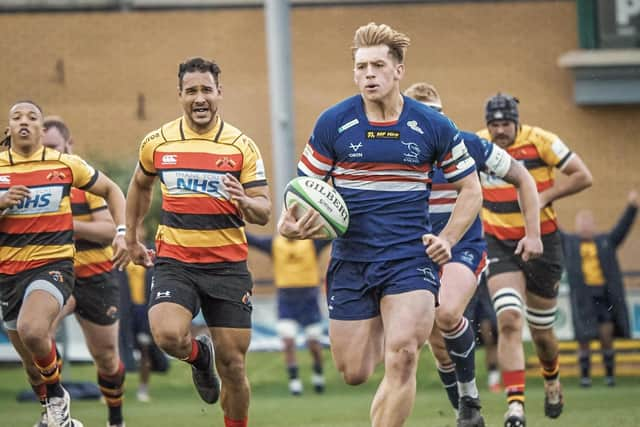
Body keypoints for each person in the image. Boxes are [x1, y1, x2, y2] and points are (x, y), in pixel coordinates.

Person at [278, 23, 483, 427]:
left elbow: (471, 190)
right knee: (354, 372)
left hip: (410, 258)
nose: (368, 74)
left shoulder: (433, 125)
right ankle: (378, 322)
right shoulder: (333, 123)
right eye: (361, 67)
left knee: (404, 354)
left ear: (398, 70)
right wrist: (291, 227)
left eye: (377, 65)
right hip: (351, 260)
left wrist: (448, 238)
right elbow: (300, 194)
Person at [125, 57, 271, 427]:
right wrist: (131, 235)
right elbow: (140, 185)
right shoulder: (158, 142)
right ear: (180, 96)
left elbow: (264, 211)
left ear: (219, 93)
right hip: (177, 262)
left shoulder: (241, 147)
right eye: (192, 91)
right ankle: (197, 357)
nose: (199, 98)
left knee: (235, 365)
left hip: (227, 267)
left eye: (207, 89)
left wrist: (244, 200)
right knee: (167, 335)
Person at [404, 82, 542, 427]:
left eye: (434, 115)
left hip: (463, 248)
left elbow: (523, 178)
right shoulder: (396, 152)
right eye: (418, 116)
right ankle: (465, 412)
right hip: (412, 254)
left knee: (447, 313)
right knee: (436, 342)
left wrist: (533, 233)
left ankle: (470, 397)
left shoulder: (468, 144)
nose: (427, 124)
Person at [0, 101, 128, 427]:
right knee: (31, 358)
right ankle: (56, 416)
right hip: (10, 274)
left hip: (63, 267)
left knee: (37, 329)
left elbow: (113, 192)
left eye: (32, 118)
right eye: (17, 117)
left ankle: (77, 404)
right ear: (9, 127)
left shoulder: (66, 167)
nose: (24, 122)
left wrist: (123, 233)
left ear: (42, 131)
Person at [477, 93, 593, 426]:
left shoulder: (542, 141)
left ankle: (552, 379)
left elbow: (583, 176)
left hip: (543, 243)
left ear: (517, 122)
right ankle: (515, 407)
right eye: (494, 124)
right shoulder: (480, 146)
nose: (500, 131)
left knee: (542, 334)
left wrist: (546, 196)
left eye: (505, 124)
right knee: (510, 319)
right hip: (499, 243)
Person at [40, 116, 127, 427]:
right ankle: (53, 414)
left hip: (96, 276)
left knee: (105, 356)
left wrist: (65, 224)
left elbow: (106, 230)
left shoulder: (84, 181)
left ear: (69, 147)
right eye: (43, 147)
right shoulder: (29, 183)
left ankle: (115, 420)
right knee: (37, 335)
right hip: (54, 273)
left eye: (54, 147)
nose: (48, 153)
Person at [560, 190, 636, 387]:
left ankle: (609, 375)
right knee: (584, 338)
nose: (585, 226)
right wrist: (541, 206)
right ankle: (585, 377)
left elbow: (622, 229)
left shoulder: (605, 242)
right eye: (582, 222)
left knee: (606, 335)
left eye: (588, 222)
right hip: (582, 297)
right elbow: (553, 230)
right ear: (577, 226)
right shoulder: (570, 243)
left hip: (604, 295)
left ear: (593, 226)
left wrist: (632, 207)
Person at [246, 232, 330, 395]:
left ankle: (318, 376)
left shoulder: (311, 244)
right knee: (288, 342)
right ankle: (294, 382)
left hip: (309, 299)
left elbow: (330, 237)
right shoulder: (275, 244)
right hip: (287, 300)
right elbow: (252, 240)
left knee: (314, 344)